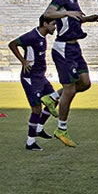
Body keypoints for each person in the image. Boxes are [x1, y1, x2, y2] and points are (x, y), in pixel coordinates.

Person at [42, 0, 98, 147]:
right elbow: (48, 13)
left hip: (75, 48)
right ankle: (61, 129)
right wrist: (67, 12)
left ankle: (52, 97)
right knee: (69, 89)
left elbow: (71, 19)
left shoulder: (74, 1)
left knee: (84, 83)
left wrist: (87, 18)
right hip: (64, 49)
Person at [8, 15, 61, 151]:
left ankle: (39, 128)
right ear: (45, 23)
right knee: (36, 109)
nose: (55, 27)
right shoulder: (32, 36)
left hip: (40, 77)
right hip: (30, 78)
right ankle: (30, 142)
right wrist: (23, 61)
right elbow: (12, 44)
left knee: (54, 99)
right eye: (53, 24)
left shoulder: (42, 38)